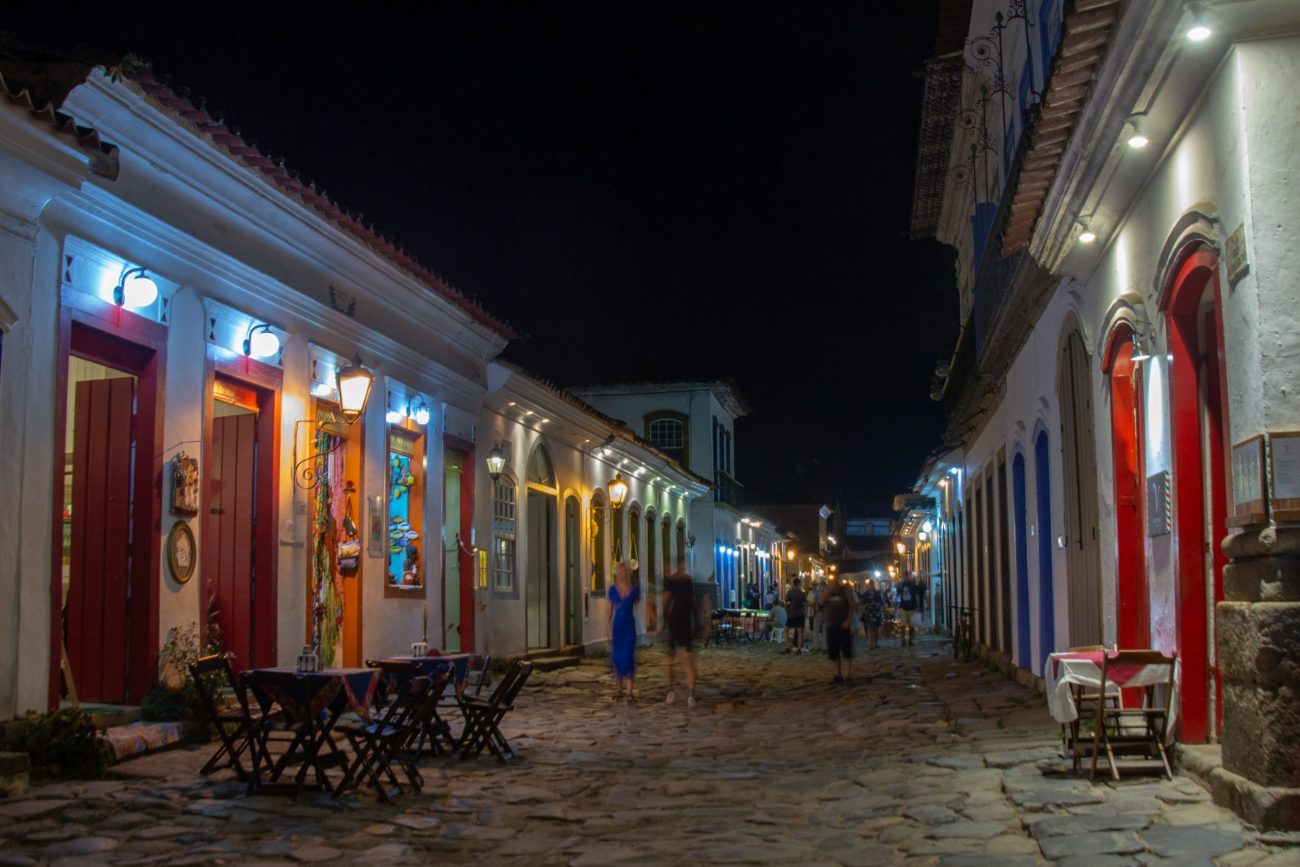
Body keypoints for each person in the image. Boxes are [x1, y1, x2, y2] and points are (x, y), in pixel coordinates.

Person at [662, 558, 698, 707]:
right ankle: (671, 691)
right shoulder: (671, 581)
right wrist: (665, 618)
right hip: (675, 621)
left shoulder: (688, 581)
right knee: (671, 659)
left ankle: (690, 694)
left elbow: (691, 601)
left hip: (684, 622)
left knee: (687, 658)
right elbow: (666, 600)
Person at [607, 561, 641, 702]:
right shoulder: (612, 590)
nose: (623, 573)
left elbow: (640, 606)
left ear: (629, 573)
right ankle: (619, 689)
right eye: (621, 571)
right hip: (618, 627)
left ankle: (629, 691)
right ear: (617, 573)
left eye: (626, 571)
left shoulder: (634, 589)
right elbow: (608, 610)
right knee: (617, 657)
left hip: (628, 627)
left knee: (628, 656)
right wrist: (607, 628)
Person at [822, 577, 854, 683]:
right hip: (831, 623)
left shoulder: (845, 591)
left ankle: (848, 674)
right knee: (833, 650)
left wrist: (848, 620)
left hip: (843, 624)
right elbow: (821, 602)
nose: (835, 582)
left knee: (846, 649)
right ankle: (837, 674)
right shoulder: (827, 591)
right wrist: (829, 591)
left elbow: (851, 605)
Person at [896, 574, 926, 647]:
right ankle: (903, 640)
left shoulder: (913, 585)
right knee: (902, 625)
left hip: (912, 607)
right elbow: (897, 593)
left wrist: (918, 606)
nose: (906, 578)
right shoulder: (901, 585)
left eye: (907, 576)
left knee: (911, 626)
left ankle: (910, 640)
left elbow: (917, 595)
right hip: (903, 607)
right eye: (905, 577)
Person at [782, 577, 807, 654]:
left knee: (786, 630)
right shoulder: (802, 593)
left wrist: (787, 611)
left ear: (793, 583)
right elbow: (805, 603)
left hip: (792, 614)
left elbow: (786, 603)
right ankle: (799, 648)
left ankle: (788, 647)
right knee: (800, 632)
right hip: (800, 614)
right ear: (799, 584)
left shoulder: (790, 592)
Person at [859, 578, 885, 650]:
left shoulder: (878, 593)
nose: (871, 585)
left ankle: (876, 643)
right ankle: (871, 644)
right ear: (868, 585)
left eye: (872, 584)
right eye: (870, 584)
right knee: (870, 628)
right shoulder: (865, 594)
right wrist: (861, 612)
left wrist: (884, 611)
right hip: (869, 613)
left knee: (876, 629)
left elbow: (882, 603)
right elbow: (861, 604)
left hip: (877, 612)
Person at [810, 579, 827, 652]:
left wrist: (814, 611)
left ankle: (816, 646)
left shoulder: (818, 592)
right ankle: (825, 647)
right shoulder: (828, 591)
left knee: (816, 630)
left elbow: (814, 603)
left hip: (819, 611)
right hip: (827, 612)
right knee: (825, 630)